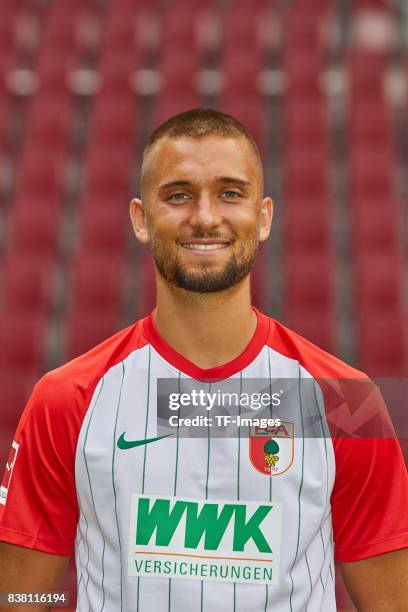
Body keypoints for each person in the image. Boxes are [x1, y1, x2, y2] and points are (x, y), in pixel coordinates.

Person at [0, 108, 407, 612]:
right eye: (178, 195)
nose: (206, 216)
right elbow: (19, 598)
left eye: (230, 193)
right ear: (140, 219)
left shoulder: (349, 403)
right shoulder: (66, 399)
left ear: (263, 218)